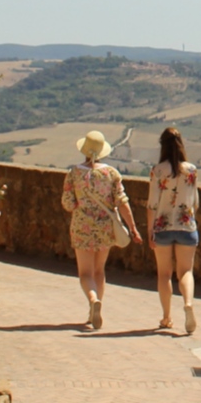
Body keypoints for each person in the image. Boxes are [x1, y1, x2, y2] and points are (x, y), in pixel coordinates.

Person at [61, 129, 139, 329]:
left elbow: (68, 204)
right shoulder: (111, 174)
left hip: (81, 227)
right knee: (99, 270)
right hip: (105, 227)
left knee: (85, 273)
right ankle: (96, 309)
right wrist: (132, 226)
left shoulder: (74, 173)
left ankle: (92, 299)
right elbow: (122, 201)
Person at [146, 127, 201, 334]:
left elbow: (152, 205)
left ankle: (167, 316)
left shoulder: (158, 171)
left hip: (163, 228)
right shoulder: (192, 170)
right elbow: (195, 202)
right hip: (187, 226)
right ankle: (188, 303)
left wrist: (150, 231)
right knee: (186, 271)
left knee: (164, 274)